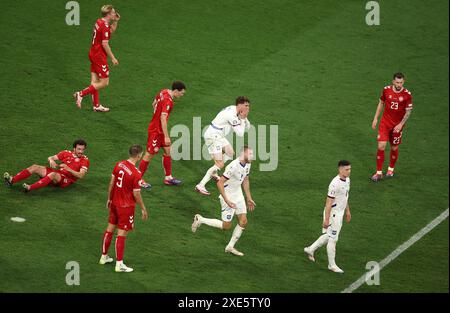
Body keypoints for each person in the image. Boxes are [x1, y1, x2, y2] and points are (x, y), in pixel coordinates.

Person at [191, 146, 256, 257]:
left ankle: (230, 246)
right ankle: (200, 219)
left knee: (243, 221)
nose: (252, 157)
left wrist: (248, 197)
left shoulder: (247, 164)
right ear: (242, 154)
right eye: (250, 154)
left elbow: (245, 179)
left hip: (238, 194)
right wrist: (227, 200)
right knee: (226, 226)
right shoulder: (233, 166)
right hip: (228, 196)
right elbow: (220, 183)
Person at [99, 144, 149, 273]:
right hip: (126, 207)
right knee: (121, 234)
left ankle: (104, 257)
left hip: (115, 203)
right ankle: (119, 264)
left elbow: (112, 183)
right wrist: (143, 208)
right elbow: (136, 193)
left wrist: (109, 198)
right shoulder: (136, 173)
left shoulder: (119, 164)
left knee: (110, 229)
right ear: (139, 155)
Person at [195, 96, 251, 196]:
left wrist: (244, 118)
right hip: (213, 136)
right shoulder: (232, 115)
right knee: (220, 164)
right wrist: (243, 120)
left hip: (218, 135)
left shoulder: (235, 109)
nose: (248, 108)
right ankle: (201, 185)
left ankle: (214, 170)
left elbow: (248, 126)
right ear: (240, 104)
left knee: (230, 153)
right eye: (246, 105)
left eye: (248, 106)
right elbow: (240, 134)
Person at [304, 160, 352, 273]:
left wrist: (348, 211)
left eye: (350, 169)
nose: (349, 171)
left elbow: (345, 196)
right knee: (333, 239)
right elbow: (328, 203)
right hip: (333, 214)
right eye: (347, 169)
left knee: (329, 235)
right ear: (340, 169)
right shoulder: (335, 184)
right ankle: (332, 265)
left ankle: (310, 249)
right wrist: (326, 219)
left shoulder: (347, 180)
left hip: (340, 212)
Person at [138, 81, 186, 188]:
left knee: (168, 151)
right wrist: (166, 136)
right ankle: (138, 179)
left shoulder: (163, 91)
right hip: (156, 131)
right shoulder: (168, 101)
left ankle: (168, 177)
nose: (182, 95)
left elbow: (154, 102)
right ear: (176, 91)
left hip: (158, 129)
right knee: (149, 154)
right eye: (181, 93)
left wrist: (156, 110)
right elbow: (163, 118)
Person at [73, 5, 120, 112]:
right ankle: (80, 94)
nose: (115, 13)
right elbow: (105, 43)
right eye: (113, 12)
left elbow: (110, 31)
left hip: (93, 52)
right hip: (99, 56)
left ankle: (96, 105)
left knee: (95, 81)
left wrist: (116, 21)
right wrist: (113, 58)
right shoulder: (104, 25)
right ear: (108, 14)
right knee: (104, 82)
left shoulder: (99, 21)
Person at [371, 72, 413, 181]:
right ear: (393, 81)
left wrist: (401, 124)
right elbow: (381, 103)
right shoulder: (386, 90)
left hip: (397, 126)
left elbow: (408, 112)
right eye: (397, 82)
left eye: (401, 82)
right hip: (385, 123)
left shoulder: (407, 95)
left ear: (403, 82)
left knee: (394, 147)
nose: (399, 84)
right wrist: (375, 118)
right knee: (381, 146)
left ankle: (391, 169)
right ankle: (378, 173)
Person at [4, 139, 90, 192]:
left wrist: (68, 169)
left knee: (53, 174)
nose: (81, 151)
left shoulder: (85, 160)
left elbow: (81, 175)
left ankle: (30, 187)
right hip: (58, 173)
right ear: (74, 148)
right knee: (35, 167)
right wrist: (51, 160)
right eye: (79, 149)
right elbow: (51, 157)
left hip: (67, 179)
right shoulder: (66, 153)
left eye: (83, 149)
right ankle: (12, 180)